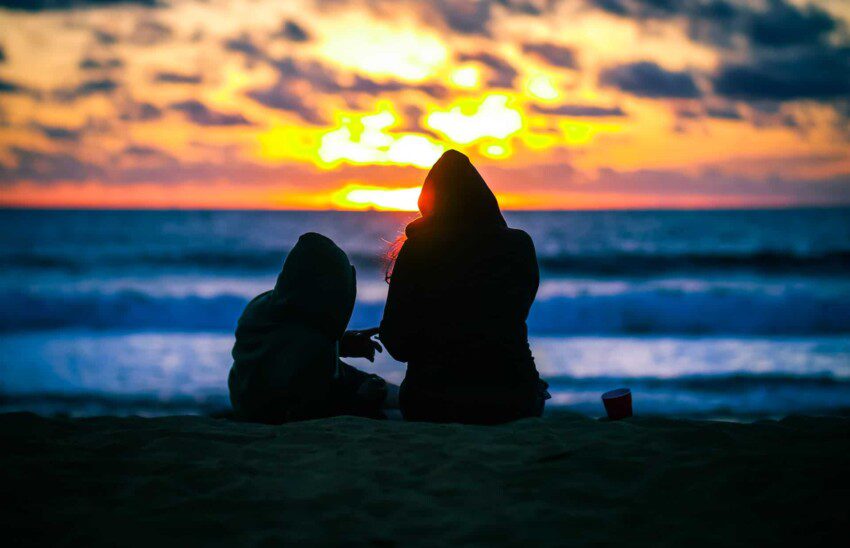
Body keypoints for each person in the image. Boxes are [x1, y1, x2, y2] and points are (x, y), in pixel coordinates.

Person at [380, 149, 548, 424]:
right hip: (513, 398)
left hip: (432, 402)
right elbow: (509, 317)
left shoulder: (418, 248)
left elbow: (398, 345)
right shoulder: (518, 245)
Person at [228, 232, 397, 423]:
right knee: (385, 400)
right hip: (276, 413)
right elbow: (312, 412)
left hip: (245, 401)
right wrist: (363, 400)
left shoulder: (263, 308)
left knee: (384, 391)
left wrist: (343, 343)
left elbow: (281, 351)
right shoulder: (310, 348)